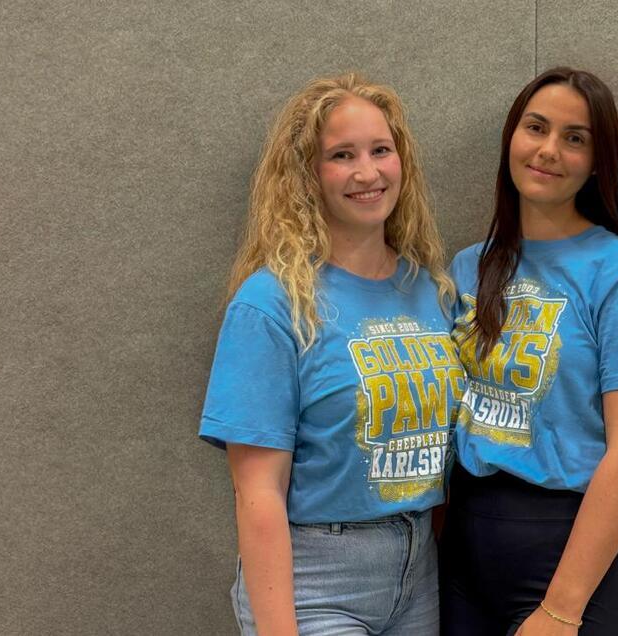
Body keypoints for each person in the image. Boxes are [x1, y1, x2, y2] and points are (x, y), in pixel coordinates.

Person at [199, 73, 465, 635]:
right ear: (308, 175)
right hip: (315, 583)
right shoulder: (272, 304)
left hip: (419, 575)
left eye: (381, 150)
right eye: (342, 155)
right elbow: (258, 492)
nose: (368, 172)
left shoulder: (430, 291)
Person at [439, 67, 618, 635]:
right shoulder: (469, 267)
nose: (548, 149)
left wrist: (561, 609)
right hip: (465, 550)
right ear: (512, 137)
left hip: (567, 553)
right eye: (536, 128)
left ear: (598, 162)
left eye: (575, 138)